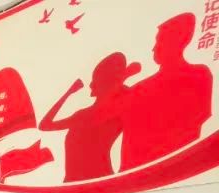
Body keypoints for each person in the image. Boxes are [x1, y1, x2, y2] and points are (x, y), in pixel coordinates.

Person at [120, 13, 213, 172]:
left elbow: (194, 121)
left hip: (176, 170)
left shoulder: (198, 75)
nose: (154, 48)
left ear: (179, 41)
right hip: (134, 173)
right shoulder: (139, 88)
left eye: (160, 41)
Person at [38, 52, 140, 182]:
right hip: (74, 183)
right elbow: (45, 125)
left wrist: (123, 77)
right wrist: (68, 93)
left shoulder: (111, 111)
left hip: (98, 182)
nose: (91, 84)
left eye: (96, 79)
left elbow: (106, 108)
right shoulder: (82, 115)